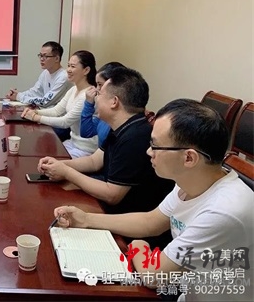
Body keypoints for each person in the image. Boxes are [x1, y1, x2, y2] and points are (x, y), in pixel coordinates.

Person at [53, 99, 253, 301]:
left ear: (189, 158)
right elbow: (151, 222)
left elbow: (153, 276)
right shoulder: (193, 179)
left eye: (156, 146)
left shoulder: (222, 212)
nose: (149, 152)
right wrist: (86, 219)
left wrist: (138, 246)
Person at [38, 67, 175, 247]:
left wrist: (66, 172)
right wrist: (60, 164)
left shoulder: (136, 137)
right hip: (114, 212)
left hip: (132, 230)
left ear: (114, 102)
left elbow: (112, 195)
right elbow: (94, 161)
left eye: (100, 93)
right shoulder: (120, 126)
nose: (95, 97)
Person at [22, 50, 99, 159]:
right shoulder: (73, 89)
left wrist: (36, 117)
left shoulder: (88, 94)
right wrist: (36, 112)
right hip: (72, 143)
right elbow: (56, 111)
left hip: (85, 149)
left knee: (48, 162)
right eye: (68, 66)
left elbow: (65, 122)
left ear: (86, 70)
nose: (68, 70)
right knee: (43, 155)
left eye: (73, 66)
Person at [6, 41, 71, 108]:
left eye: (45, 56)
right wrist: (16, 95)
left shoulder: (63, 77)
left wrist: (19, 97)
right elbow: (35, 92)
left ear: (57, 58)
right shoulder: (45, 73)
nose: (41, 59)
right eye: (41, 55)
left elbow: (45, 102)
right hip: (45, 111)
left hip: (58, 113)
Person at [80, 61, 125, 147]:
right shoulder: (105, 111)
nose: (97, 89)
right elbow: (86, 132)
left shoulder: (119, 115)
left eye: (100, 84)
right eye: (97, 84)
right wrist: (88, 103)